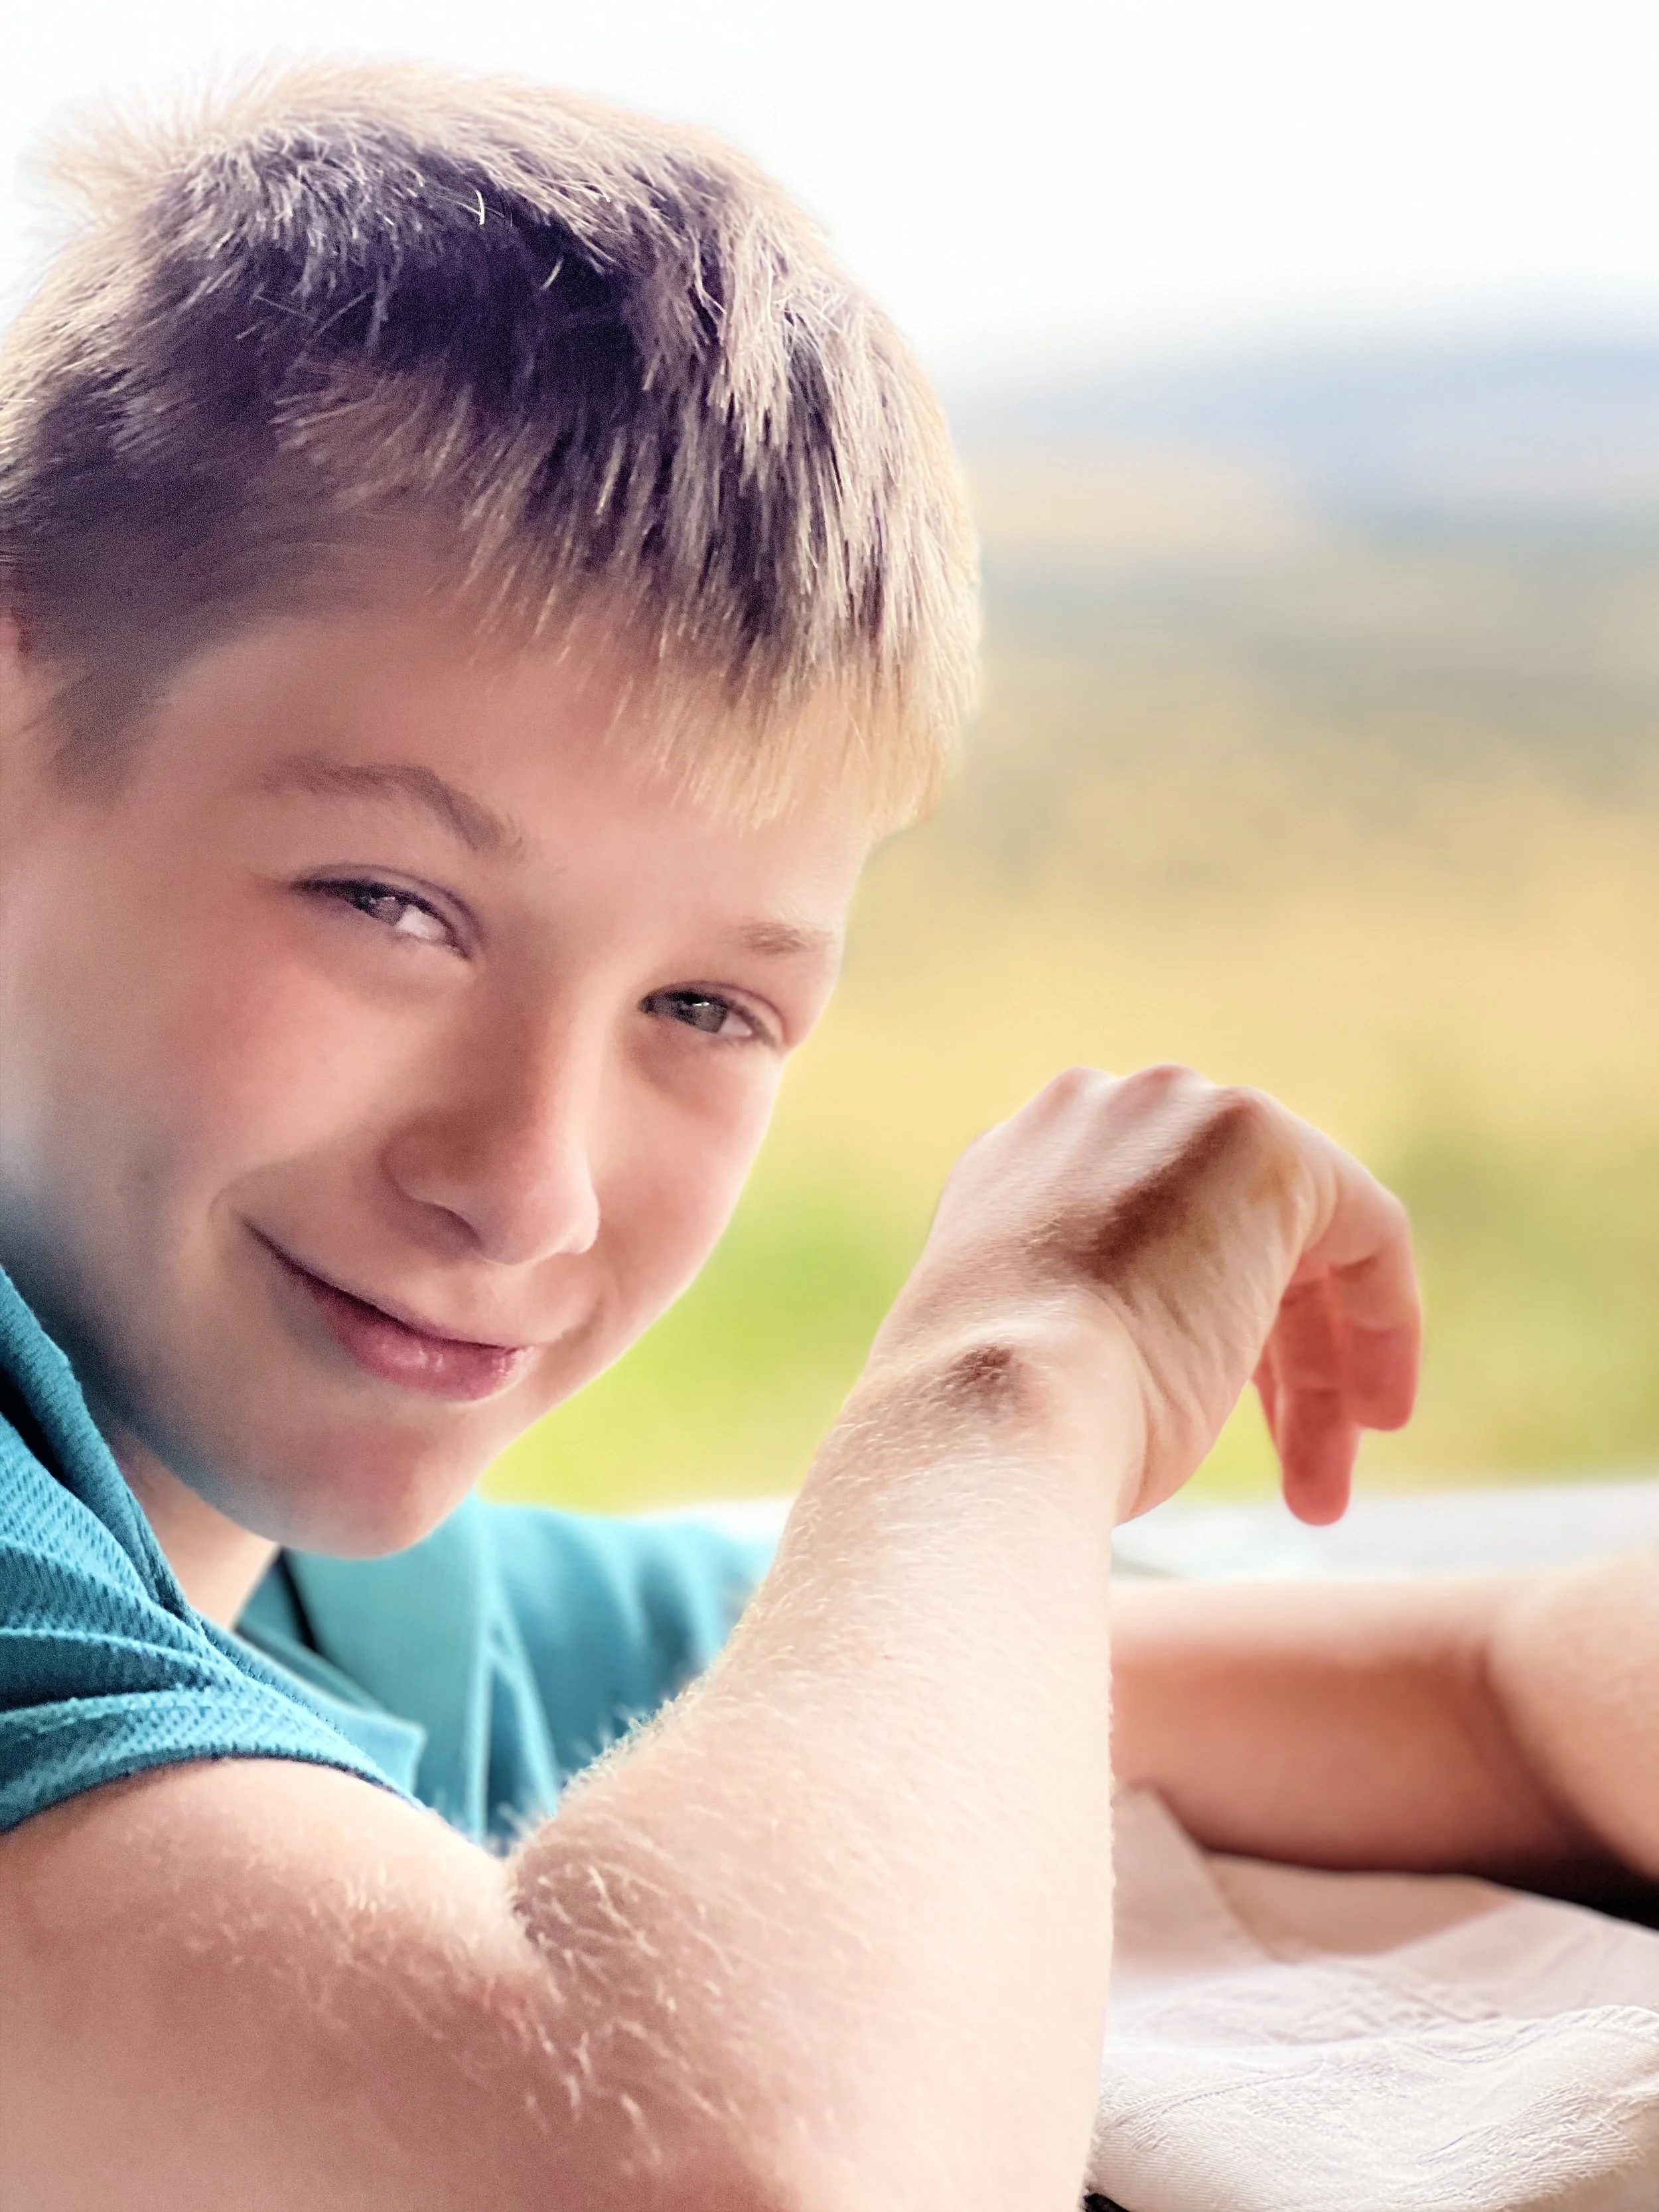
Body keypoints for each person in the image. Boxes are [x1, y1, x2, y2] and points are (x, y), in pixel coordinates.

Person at [0, 59, 1646, 2211]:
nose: (530, 1186)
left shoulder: (373, 1610)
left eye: (707, 1007)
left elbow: (1487, 1689)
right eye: (390, 905)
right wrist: (1014, 1372)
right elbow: (720, 2171)